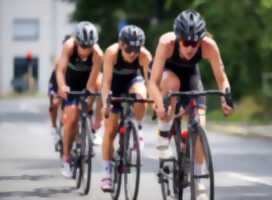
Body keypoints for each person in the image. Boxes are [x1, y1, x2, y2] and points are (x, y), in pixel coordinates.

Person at [148, 10, 233, 197]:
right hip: (166, 76)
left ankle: (199, 182)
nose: (190, 48)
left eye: (194, 43)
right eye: (185, 42)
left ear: (201, 40)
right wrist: (159, 103)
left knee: (200, 125)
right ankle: (163, 138)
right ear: (178, 39)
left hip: (191, 77)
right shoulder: (166, 43)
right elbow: (152, 83)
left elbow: (221, 78)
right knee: (172, 84)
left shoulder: (209, 46)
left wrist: (225, 98)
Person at [100, 25, 152, 192]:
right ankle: (107, 174)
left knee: (141, 96)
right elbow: (106, 83)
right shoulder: (111, 53)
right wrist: (106, 104)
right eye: (128, 48)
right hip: (113, 85)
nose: (132, 53)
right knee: (110, 129)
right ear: (121, 45)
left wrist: (154, 101)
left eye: (136, 48)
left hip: (132, 81)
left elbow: (150, 83)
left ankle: (136, 126)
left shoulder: (144, 56)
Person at [56, 21, 104, 178]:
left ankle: (95, 125)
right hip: (70, 82)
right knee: (71, 119)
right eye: (82, 46)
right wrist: (62, 86)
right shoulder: (69, 47)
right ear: (76, 42)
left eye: (89, 46)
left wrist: (88, 100)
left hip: (86, 80)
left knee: (100, 85)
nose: (85, 50)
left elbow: (92, 81)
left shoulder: (98, 54)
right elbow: (60, 71)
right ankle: (66, 158)